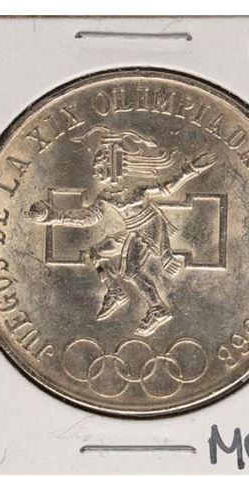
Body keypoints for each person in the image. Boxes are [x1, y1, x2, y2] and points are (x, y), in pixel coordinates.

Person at [26, 127, 212, 337]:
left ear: (112, 166)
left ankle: (158, 309)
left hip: (149, 227)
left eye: (99, 166)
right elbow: (89, 218)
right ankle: (115, 292)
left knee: (132, 271)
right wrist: (54, 216)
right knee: (97, 252)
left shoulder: (136, 188)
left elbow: (167, 187)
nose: (95, 172)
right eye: (95, 167)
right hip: (133, 229)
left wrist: (190, 170)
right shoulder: (106, 196)